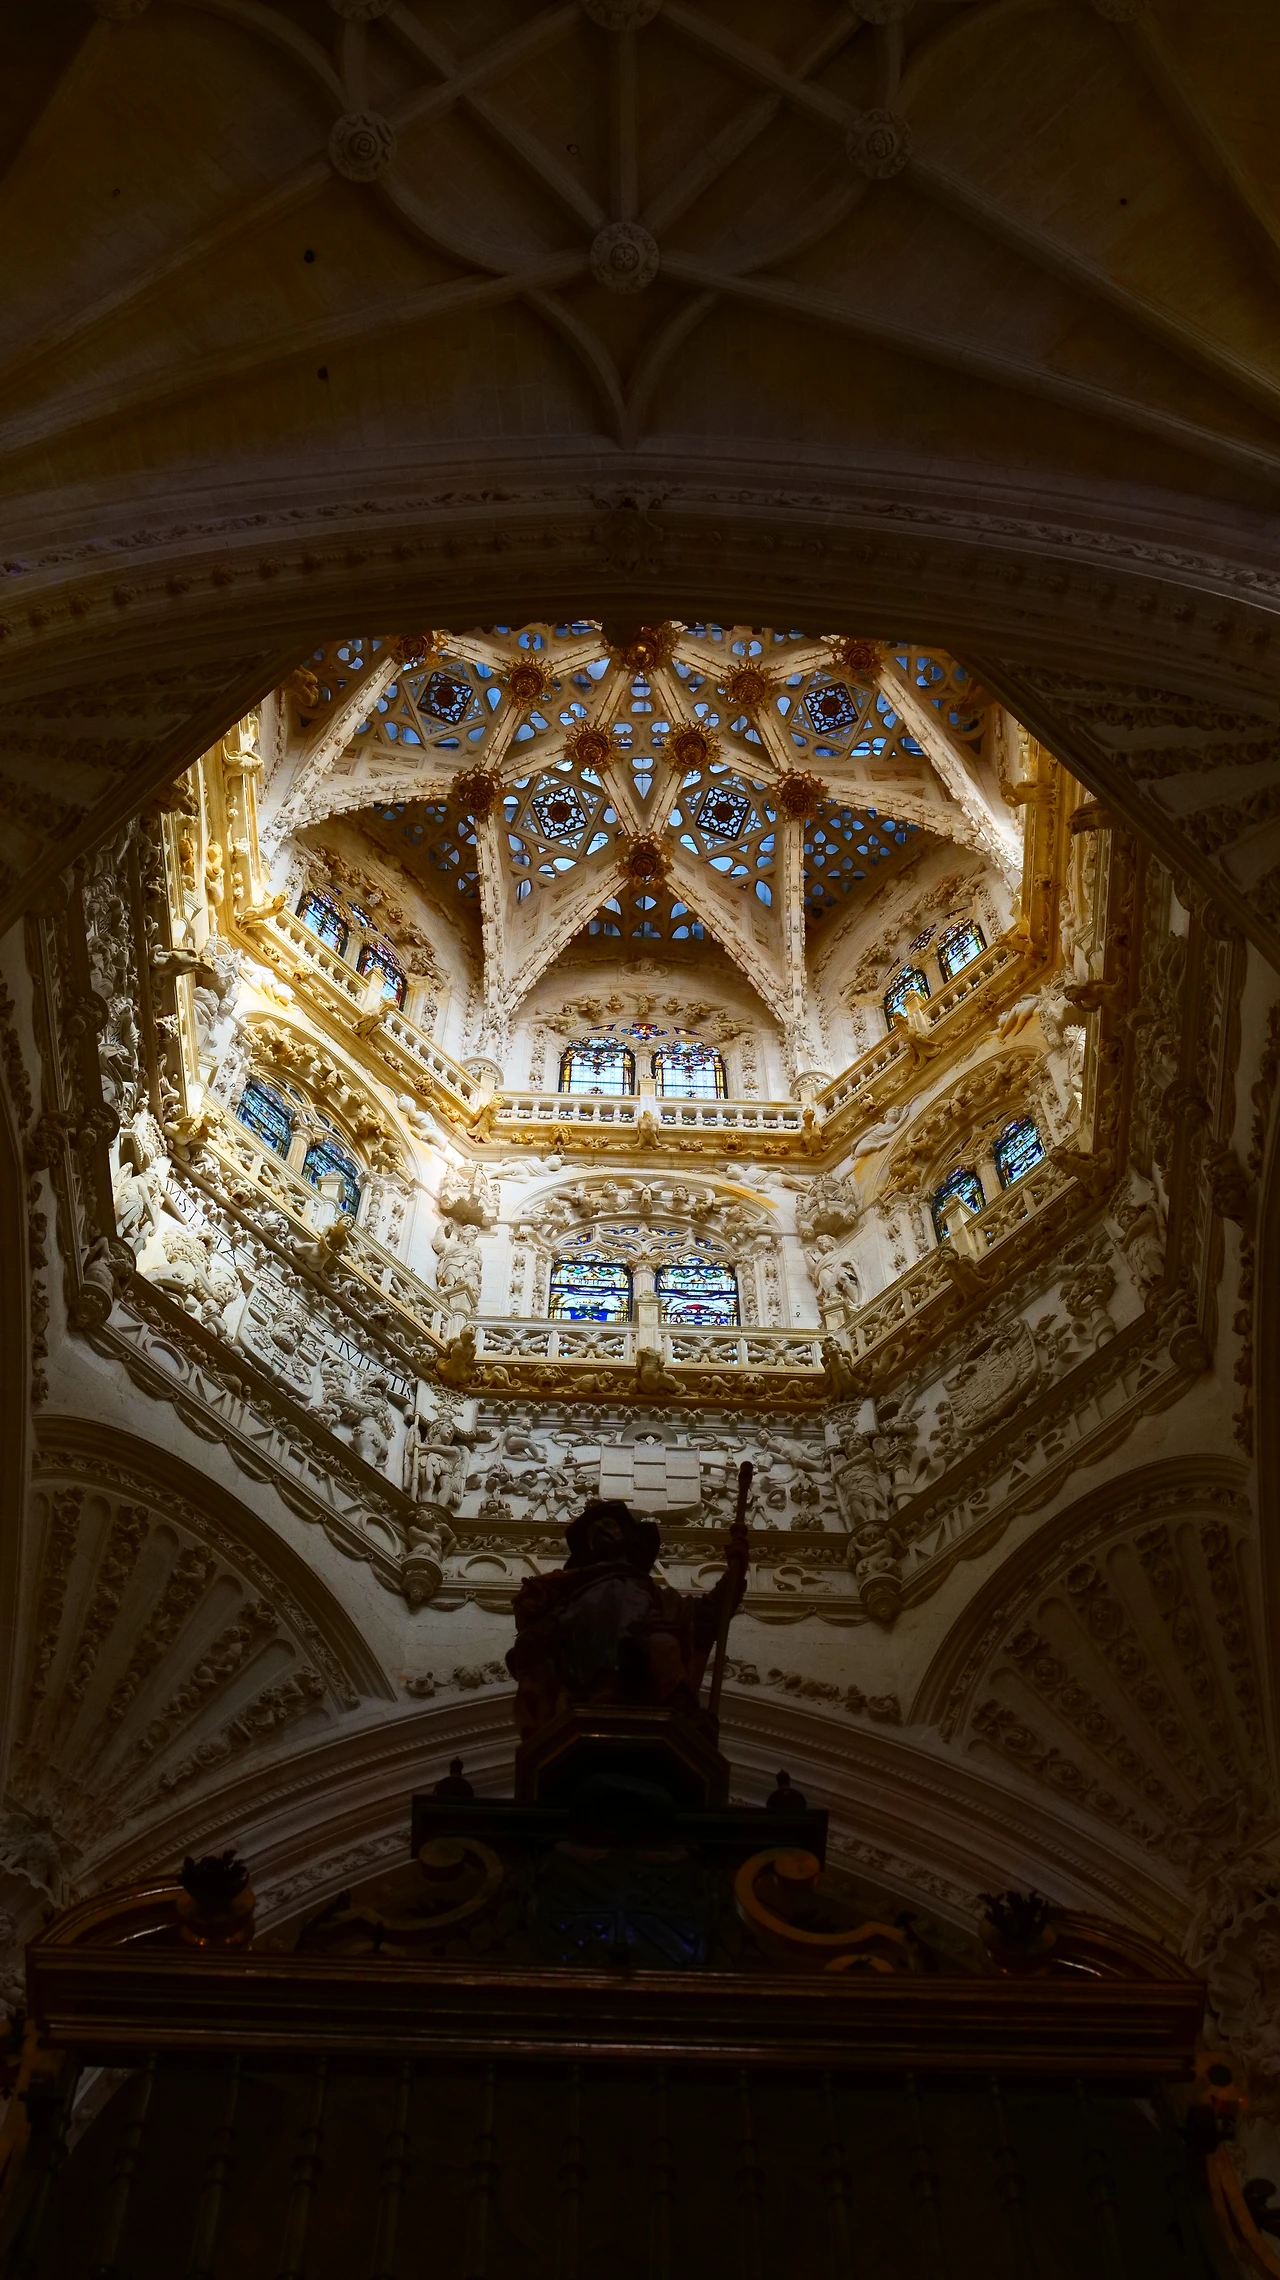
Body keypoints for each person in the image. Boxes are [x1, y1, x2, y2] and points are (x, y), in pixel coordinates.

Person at [506, 1498, 748, 1740]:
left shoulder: (660, 1599)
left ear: (628, 1537)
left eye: (608, 1525)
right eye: (593, 1531)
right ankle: (608, 1685)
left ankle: (677, 1703)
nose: (600, 1531)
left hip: (646, 1673)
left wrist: (735, 1575)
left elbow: (705, 1616)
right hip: (585, 1670)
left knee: (663, 1642)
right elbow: (538, 1634)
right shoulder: (573, 1595)